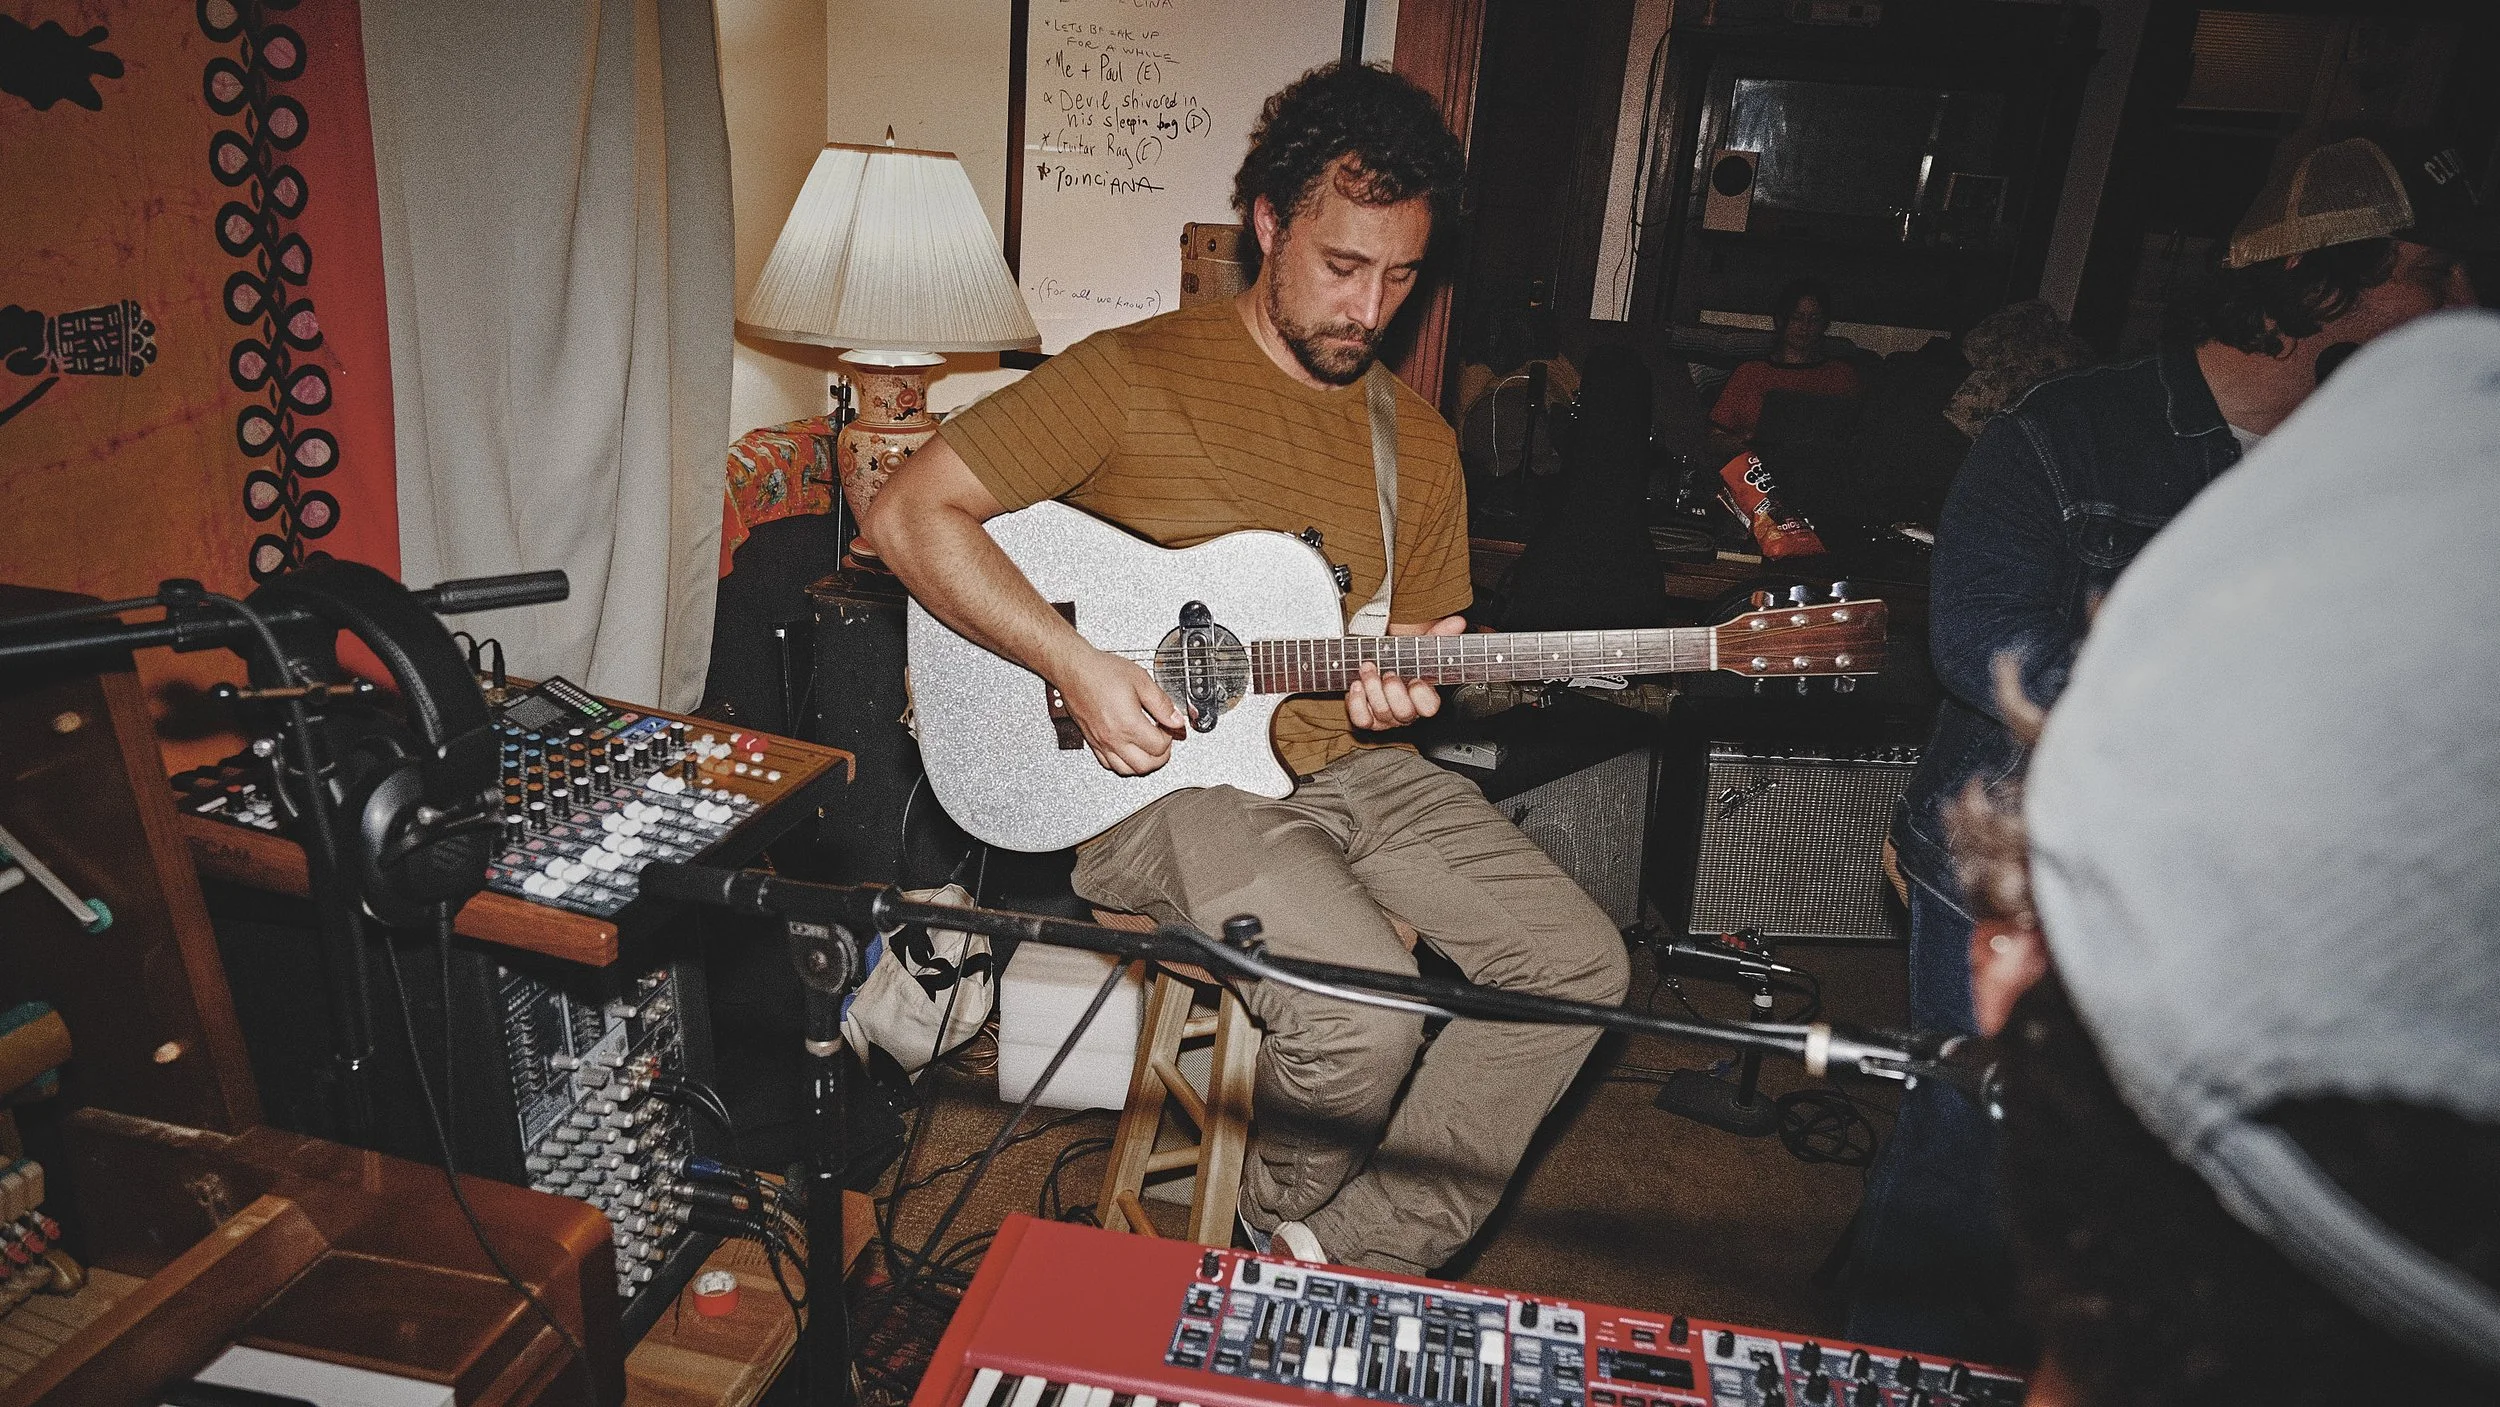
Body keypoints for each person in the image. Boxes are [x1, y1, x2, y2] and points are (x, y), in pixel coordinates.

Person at [862, 62, 1629, 1275]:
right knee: (1363, 1004)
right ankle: (1268, 1234)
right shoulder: (1130, 375)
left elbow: (1424, 654)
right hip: (1158, 779)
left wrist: (1413, 686)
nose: (1369, 308)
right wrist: (1069, 660)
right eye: (1340, 266)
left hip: (1349, 767)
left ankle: (1320, 1255)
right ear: (1269, 224)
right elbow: (910, 514)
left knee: (1582, 963)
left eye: (1400, 275)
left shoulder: (1415, 443)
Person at [1849, 131, 2496, 1359]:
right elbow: (1977, 643)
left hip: (2273, 876)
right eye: (2437, 272)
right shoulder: (2066, 433)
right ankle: (1901, 1357)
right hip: (2014, 849)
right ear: (2328, 280)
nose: (2466, 307)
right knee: (1975, 1140)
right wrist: (2224, 692)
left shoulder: (2389, 469)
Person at [1705, 276, 1862, 454]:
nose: (1805, 327)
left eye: (1814, 319)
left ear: (1824, 325)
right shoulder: (1750, 373)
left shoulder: (1841, 375)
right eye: (1797, 317)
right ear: (1781, 320)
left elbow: (1856, 439)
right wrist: (1747, 442)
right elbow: (1714, 440)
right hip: (1755, 470)